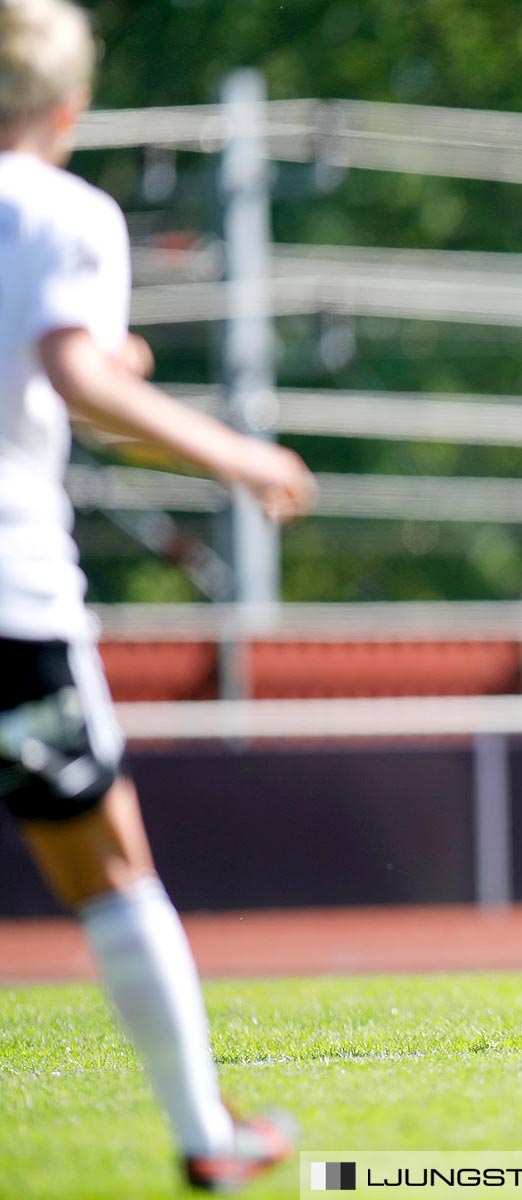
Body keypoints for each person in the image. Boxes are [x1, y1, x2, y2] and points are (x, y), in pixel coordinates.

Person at [1, 0, 316, 1188]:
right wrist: (237, 455)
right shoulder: (63, 209)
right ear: (70, 111)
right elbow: (69, 369)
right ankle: (207, 1134)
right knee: (109, 866)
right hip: (11, 594)